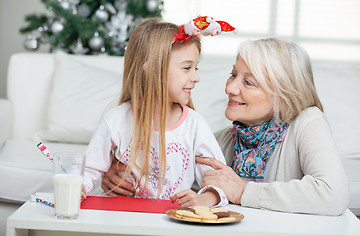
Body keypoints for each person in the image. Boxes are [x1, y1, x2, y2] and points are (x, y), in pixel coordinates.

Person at [101, 38, 349, 216]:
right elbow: (173, 184)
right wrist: (123, 176)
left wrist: (242, 190)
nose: (230, 88)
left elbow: (332, 195)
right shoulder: (221, 140)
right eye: (233, 75)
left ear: (282, 96)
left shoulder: (308, 122)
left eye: (248, 82)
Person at [82, 18, 229, 208]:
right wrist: (77, 188)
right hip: (121, 218)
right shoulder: (116, 120)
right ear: (152, 70)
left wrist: (205, 199)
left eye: (196, 68)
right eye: (187, 68)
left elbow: (218, 182)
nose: (196, 77)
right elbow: (88, 170)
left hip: (171, 223)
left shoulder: (195, 125)